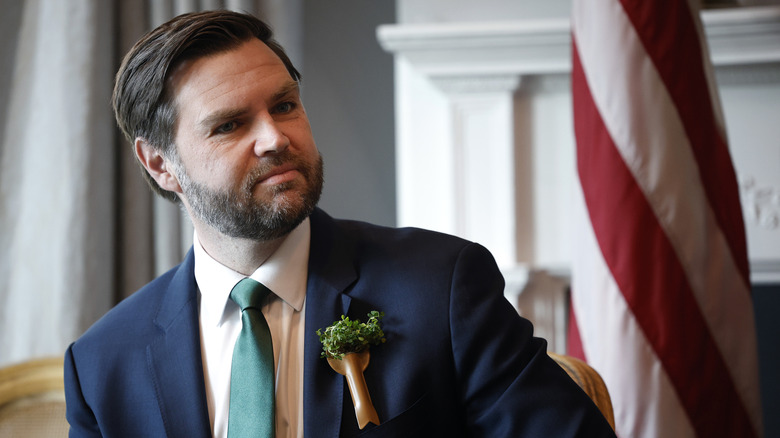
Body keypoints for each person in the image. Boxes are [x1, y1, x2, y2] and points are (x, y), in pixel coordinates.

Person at [63, 10, 616, 438]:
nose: (276, 138)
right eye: (231, 124)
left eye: (284, 106)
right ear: (160, 164)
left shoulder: (442, 288)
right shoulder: (103, 366)